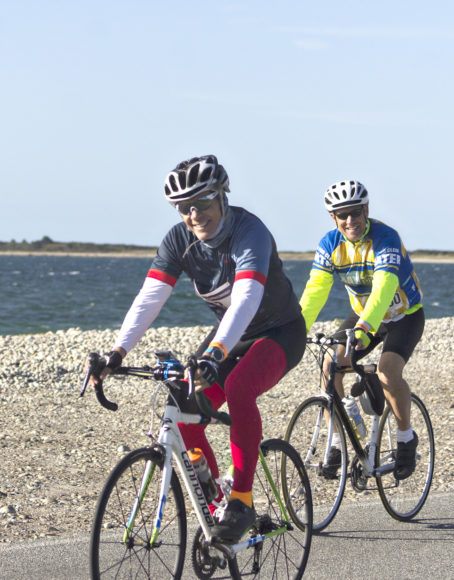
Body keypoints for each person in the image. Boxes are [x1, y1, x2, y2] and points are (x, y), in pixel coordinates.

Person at [89, 155, 306, 542]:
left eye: (202, 202)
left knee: (239, 388)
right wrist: (117, 353)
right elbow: (149, 298)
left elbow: (246, 299)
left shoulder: (249, 232)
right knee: (185, 399)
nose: (194, 214)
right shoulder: (179, 240)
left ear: (222, 196)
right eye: (183, 207)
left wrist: (216, 352)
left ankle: (241, 499)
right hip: (230, 335)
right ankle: (212, 489)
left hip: (279, 332)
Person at [299, 180, 424, 480]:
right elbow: (316, 290)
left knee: (387, 372)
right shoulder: (330, 245)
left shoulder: (385, 238)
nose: (350, 220)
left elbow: (384, 287)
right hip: (362, 316)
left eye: (355, 213)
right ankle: (339, 443)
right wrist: (295, 327)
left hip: (403, 316)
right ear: (333, 218)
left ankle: (406, 437)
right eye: (343, 215)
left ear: (366, 210)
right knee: (330, 366)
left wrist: (366, 327)